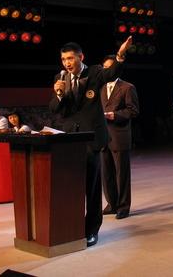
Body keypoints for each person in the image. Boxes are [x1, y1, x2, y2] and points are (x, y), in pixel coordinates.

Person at [49, 37, 132, 248]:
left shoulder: (94, 72)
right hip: (70, 141)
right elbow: (55, 109)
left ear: (81, 57)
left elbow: (111, 73)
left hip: (91, 139)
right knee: (73, 186)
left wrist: (120, 55)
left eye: (70, 58)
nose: (67, 63)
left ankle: (92, 230)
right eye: (63, 59)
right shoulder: (61, 78)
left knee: (92, 189)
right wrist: (59, 95)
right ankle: (73, 227)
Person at [100, 54, 140, 220]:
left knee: (121, 174)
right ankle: (112, 204)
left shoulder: (127, 87)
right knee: (106, 174)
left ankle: (123, 206)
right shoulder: (100, 87)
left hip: (119, 136)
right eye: (105, 68)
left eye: (110, 67)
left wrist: (114, 115)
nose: (107, 71)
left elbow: (133, 110)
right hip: (103, 137)